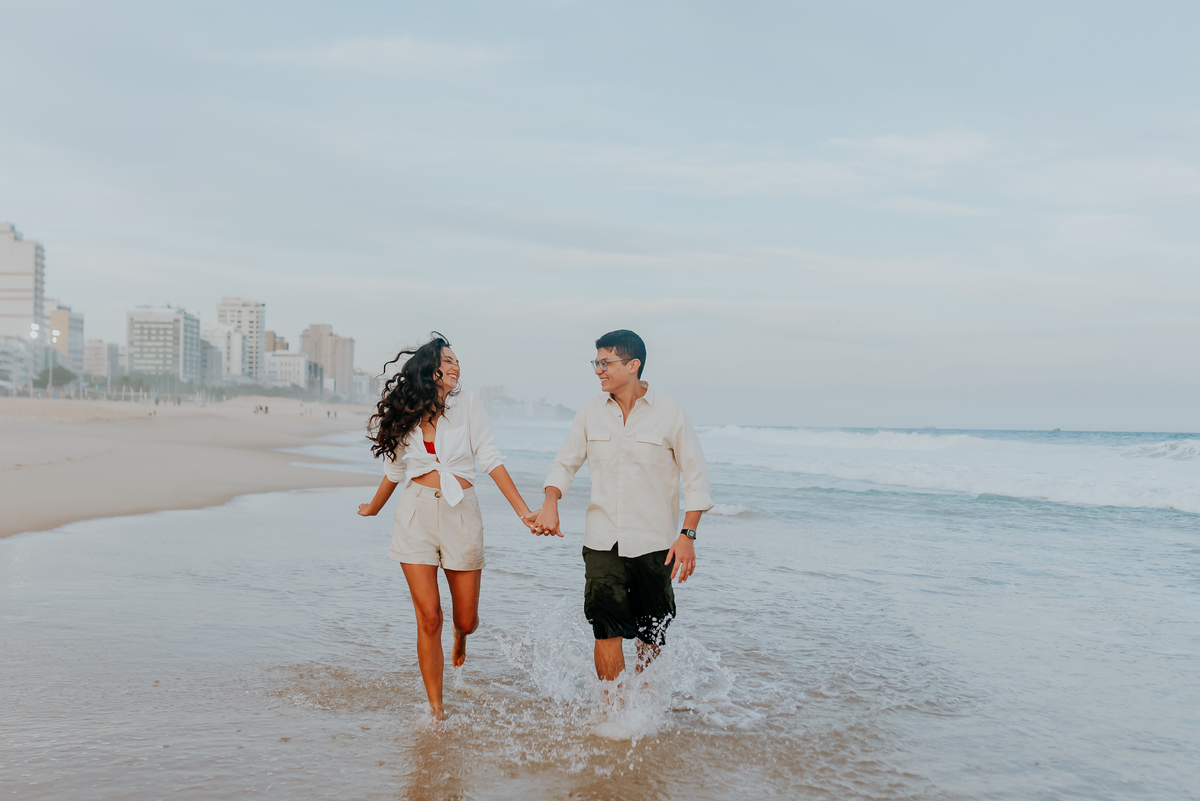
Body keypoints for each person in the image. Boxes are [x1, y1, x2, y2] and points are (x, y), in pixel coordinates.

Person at [357, 332, 540, 719]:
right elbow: (394, 469)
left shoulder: (468, 405)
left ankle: (460, 638)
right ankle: (437, 710)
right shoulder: (407, 411)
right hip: (415, 515)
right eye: (450, 360)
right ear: (431, 368)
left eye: (458, 361)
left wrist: (524, 512)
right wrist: (374, 507)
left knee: (466, 619)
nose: (457, 367)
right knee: (428, 616)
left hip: (461, 513)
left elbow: (490, 458)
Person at [531, 330, 713, 682]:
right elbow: (564, 463)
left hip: (655, 544)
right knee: (605, 628)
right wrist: (550, 501)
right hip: (602, 542)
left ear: (633, 365)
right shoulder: (589, 413)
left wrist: (687, 534)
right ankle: (613, 717)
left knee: (651, 635)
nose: (598, 370)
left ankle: (644, 708)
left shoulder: (671, 415)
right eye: (596, 362)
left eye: (605, 362)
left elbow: (696, 480)